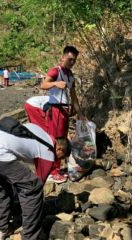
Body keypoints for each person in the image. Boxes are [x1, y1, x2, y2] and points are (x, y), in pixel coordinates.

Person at [0, 123, 70, 240]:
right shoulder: (49, 153)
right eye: (61, 158)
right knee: (33, 189)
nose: (59, 161)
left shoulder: (41, 133)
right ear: (60, 149)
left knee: (4, 188)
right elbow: (37, 185)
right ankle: (29, 236)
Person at [40, 45, 84, 183]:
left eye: (74, 60)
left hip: (65, 111)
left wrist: (80, 114)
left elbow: (74, 97)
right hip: (55, 109)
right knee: (55, 141)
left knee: (63, 141)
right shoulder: (55, 71)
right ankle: (52, 172)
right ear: (63, 57)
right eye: (70, 59)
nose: (72, 62)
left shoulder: (71, 76)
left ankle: (57, 169)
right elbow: (43, 84)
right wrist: (55, 84)